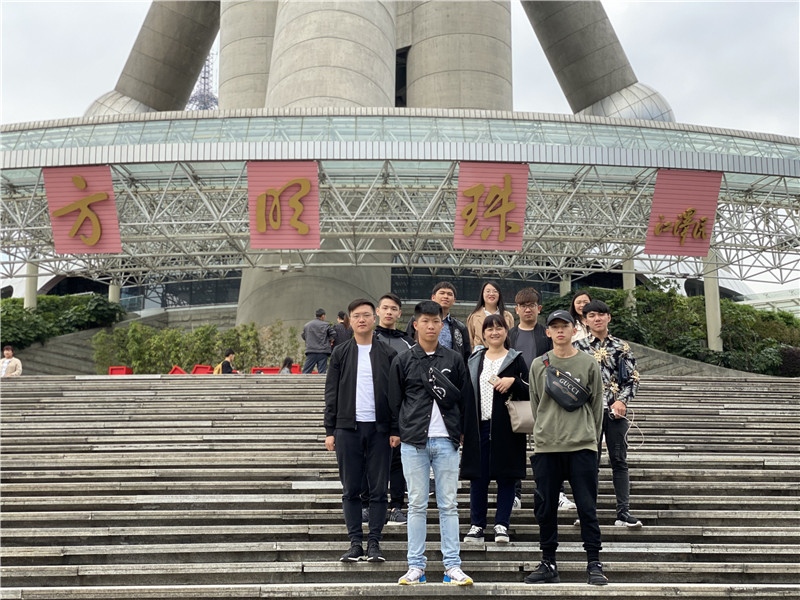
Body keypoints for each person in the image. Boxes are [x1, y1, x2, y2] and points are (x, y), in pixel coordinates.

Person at [390, 300, 474, 586]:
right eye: (425, 321)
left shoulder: (454, 359)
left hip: (446, 440)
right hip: (413, 441)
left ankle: (453, 566)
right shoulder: (403, 360)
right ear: (415, 324)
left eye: (435, 321)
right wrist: (397, 431)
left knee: (448, 504)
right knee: (416, 504)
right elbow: (395, 400)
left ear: (441, 324)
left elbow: (465, 398)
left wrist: (462, 431)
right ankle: (416, 566)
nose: (430, 326)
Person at [526, 310, 607, 586]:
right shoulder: (539, 364)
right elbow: (536, 403)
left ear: (575, 330)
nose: (560, 331)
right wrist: (545, 431)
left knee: (587, 506)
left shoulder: (588, 363)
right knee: (546, 507)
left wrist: (591, 438)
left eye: (565, 326)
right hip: (547, 446)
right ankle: (548, 561)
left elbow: (597, 404)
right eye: (555, 327)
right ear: (547, 332)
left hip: (582, 445)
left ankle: (594, 562)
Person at [324, 299, 397, 563]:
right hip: (347, 428)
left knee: (378, 489)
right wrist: (330, 429)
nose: (362, 319)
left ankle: (374, 543)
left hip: (380, 430)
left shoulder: (388, 354)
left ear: (374, 318)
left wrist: (395, 428)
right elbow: (331, 393)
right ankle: (355, 543)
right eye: (356, 316)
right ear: (350, 321)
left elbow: (396, 395)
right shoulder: (341, 353)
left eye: (366, 315)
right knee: (351, 489)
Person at [574, 299, 642, 528]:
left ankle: (623, 512)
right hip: (587, 413)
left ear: (608, 317)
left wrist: (622, 401)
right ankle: (587, 512)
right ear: (585, 320)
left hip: (615, 411)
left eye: (601, 314)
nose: (597, 319)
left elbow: (633, 379)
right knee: (588, 463)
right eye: (592, 315)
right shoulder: (578, 347)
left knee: (619, 460)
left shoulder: (622, 347)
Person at [461, 314, 528, 545]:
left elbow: (530, 390)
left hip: (507, 428)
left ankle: (502, 525)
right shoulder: (475, 360)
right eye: (489, 329)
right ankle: (477, 525)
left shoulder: (515, 359)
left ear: (506, 332)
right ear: (483, 334)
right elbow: (466, 393)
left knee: (506, 477)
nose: (494, 332)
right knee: (478, 478)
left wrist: (513, 382)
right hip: (479, 426)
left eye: (499, 328)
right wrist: (464, 427)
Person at [507, 288, 575, 511]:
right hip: (516, 397)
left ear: (539, 308)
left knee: (551, 446)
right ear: (516, 309)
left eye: (531, 305)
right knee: (514, 448)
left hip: (547, 397)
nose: (527, 309)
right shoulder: (509, 335)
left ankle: (558, 492)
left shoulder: (546, 333)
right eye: (523, 305)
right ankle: (514, 494)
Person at [372, 293, 414, 525]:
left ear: (399, 313)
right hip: (372, 411)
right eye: (385, 308)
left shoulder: (408, 343)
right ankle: (371, 505)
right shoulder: (367, 339)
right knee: (373, 461)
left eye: (393, 309)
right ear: (378, 311)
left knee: (398, 462)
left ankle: (397, 506)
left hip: (401, 412)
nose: (389, 312)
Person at [406, 282, 471, 364]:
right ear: (433, 297)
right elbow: (407, 343)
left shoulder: (460, 327)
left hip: (450, 367)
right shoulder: (417, 320)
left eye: (449, 294)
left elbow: (466, 354)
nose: (446, 296)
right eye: (442, 293)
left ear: (454, 300)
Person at [465, 281, 515, 348]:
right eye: (488, 291)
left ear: (499, 294)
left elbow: (511, 339)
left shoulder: (508, 316)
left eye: (495, 291)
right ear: (482, 294)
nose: (491, 294)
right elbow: (470, 341)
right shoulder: (473, 317)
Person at [302, 308, 335, 374]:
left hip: (311, 351)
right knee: (322, 373)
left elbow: (303, 336)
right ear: (323, 316)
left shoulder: (307, 325)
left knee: (306, 373)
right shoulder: (326, 325)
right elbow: (333, 334)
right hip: (322, 352)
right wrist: (330, 341)